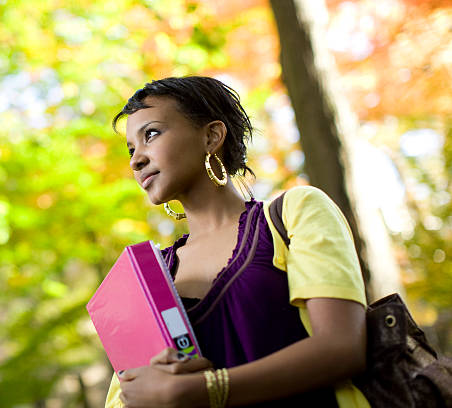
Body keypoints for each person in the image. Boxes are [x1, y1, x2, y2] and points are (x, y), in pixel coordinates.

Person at [105, 76, 369, 407]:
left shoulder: (293, 213)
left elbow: (342, 347)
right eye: (131, 149)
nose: (135, 160)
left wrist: (206, 390)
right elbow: (126, 396)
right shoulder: (148, 280)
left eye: (151, 135)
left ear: (212, 136)